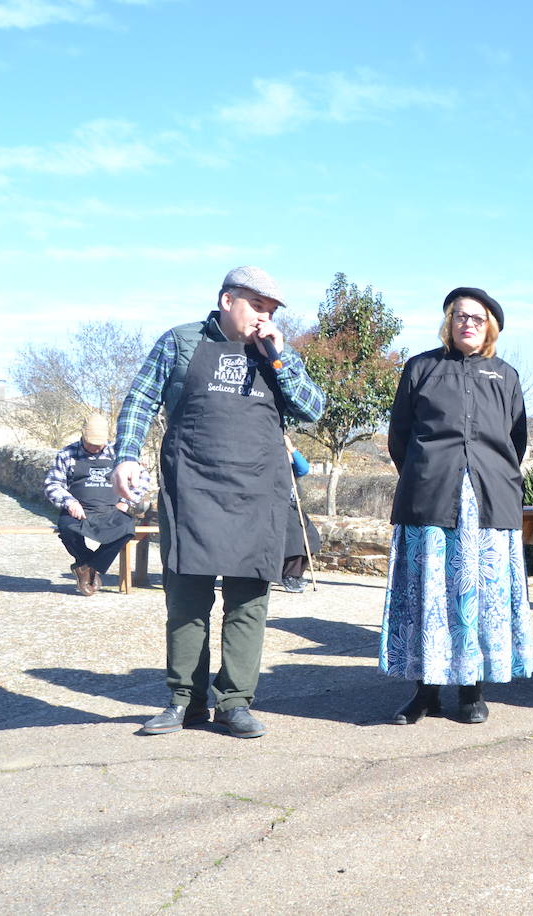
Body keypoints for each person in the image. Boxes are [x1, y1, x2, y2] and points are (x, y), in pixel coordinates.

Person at [114, 266, 325, 739]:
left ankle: (234, 703)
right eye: (257, 306)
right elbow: (140, 401)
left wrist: (281, 359)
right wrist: (126, 457)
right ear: (228, 300)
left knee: (248, 601)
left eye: (270, 311)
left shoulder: (276, 354)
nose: (263, 318)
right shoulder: (181, 341)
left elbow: (313, 408)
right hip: (192, 489)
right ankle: (184, 701)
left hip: (256, 493)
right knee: (186, 599)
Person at [380, 287, 532, 725]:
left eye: (477, 318)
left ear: (491, 328)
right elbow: (400, 437)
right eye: (459, 315)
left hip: (488, 503)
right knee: (430, 598)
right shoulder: (421, 368)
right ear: (448, 322)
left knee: (480, 598)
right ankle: (425, 691)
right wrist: (427, 473)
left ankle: (471, 692)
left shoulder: (505, 375)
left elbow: (515, 441)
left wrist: (486, 475)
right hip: (429, 498)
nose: (467, 323)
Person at [44, 414, 140, 595]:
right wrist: (69, 502)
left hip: (111, 510)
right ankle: (84, 563)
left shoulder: (119, 453)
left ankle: (89, 566)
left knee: (127, 528)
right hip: (79, 510)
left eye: (99, 444)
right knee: (67, 528)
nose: (95, 447)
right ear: (82, 434)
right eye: (91, 443)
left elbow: (141, 480)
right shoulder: (66, 454)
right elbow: (52, 485)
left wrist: (125, 501)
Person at [280, 435, 320, 594]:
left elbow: (303, 468)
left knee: (311, 538)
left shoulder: (288, 458)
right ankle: (288, 575)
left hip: (293, 505)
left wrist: (291, 448)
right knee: (295, 539)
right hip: (278, 505)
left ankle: (296, 574)